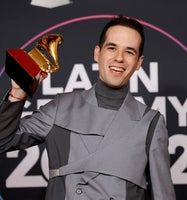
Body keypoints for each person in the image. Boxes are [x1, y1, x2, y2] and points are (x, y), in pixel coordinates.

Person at [0, 15, 176, 200]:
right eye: (112, 48)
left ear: (138, 63)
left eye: (129, 52)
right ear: (97, 53)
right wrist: (18, 94)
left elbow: (163, 195)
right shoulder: (61, 107)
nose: (119, 58)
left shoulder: (151, 123)